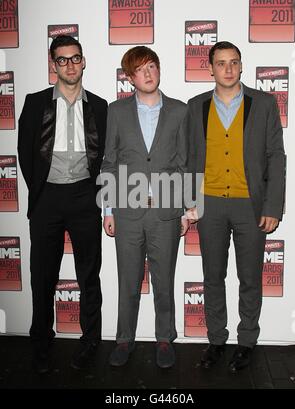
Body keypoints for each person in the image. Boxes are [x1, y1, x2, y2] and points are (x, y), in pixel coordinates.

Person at [186, 41, 285, 372]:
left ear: (241, 66)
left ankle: (246, 342)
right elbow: (187, 160)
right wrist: (189, 202)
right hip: (209, 205)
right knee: (212, 276)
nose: (228, 68)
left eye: (234, 62)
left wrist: (272, 206)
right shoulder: (195, 106)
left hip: (251, 206)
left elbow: (275, 157)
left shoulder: (265, 103)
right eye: (221, 63)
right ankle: (216, 340)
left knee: (250, 278)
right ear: (210, 68)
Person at [17, 35, 107, 373]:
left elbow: (104, 158)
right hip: (47, 199)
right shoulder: (35, 102)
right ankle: (41, 344)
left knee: (89, 277)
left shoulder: (99, 106)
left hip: (86, 197)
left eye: (75, 58)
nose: (69, 65)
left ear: (83, 62)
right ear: (53, 64)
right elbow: (26, 155)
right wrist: (40, 192)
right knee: (43, 276)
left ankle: (91, 343)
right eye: (62, 59)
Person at [101, 46, 190, 368]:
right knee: (128, 281)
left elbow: (185, 164)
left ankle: (164, 338)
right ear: (130, 78)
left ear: (159, 69)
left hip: (165, 212)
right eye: (141, 69)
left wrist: (185, 209)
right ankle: (124, 338)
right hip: (126, 211)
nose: (148, 73)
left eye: (152, 66)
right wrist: (108, 210)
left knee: (164, 280)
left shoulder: (180, 111)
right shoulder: (116, 112)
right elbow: (109, 163)